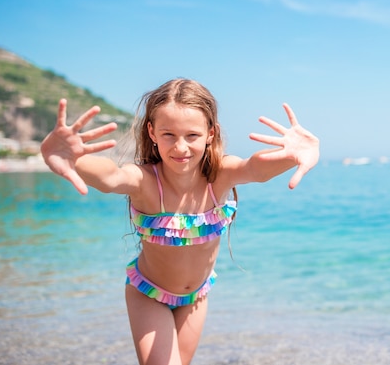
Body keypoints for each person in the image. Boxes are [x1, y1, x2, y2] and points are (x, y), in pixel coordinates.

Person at [40, 78, 320, 365]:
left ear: (211, 133)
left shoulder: (219, 176)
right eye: (169, 134)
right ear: (152, 132)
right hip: (148, 294)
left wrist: (291, 156)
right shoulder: (146, 182)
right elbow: (112, 177)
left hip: (197, 297)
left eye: (192, 135)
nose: (180, 147)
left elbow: (255, 168)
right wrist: (72, 159)